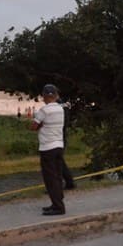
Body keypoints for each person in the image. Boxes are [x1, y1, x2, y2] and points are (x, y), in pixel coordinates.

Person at [31, 84, 66, 215]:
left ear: (44, 96)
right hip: (59, 146)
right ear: (56, 95)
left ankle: (58, 207)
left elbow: (34, 126)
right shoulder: (60, 109)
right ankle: (56, 202)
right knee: (57, 176)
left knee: (50, 178)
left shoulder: (44, 110)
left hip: (47, 147)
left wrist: (41, 125)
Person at [58, 98, 75, 190]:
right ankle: (69, 182)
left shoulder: (59, 107)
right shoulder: (64, 107)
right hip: (61, 136)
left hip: (58, 136)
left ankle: (66, 183)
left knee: (57, 162)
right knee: (59, 160)